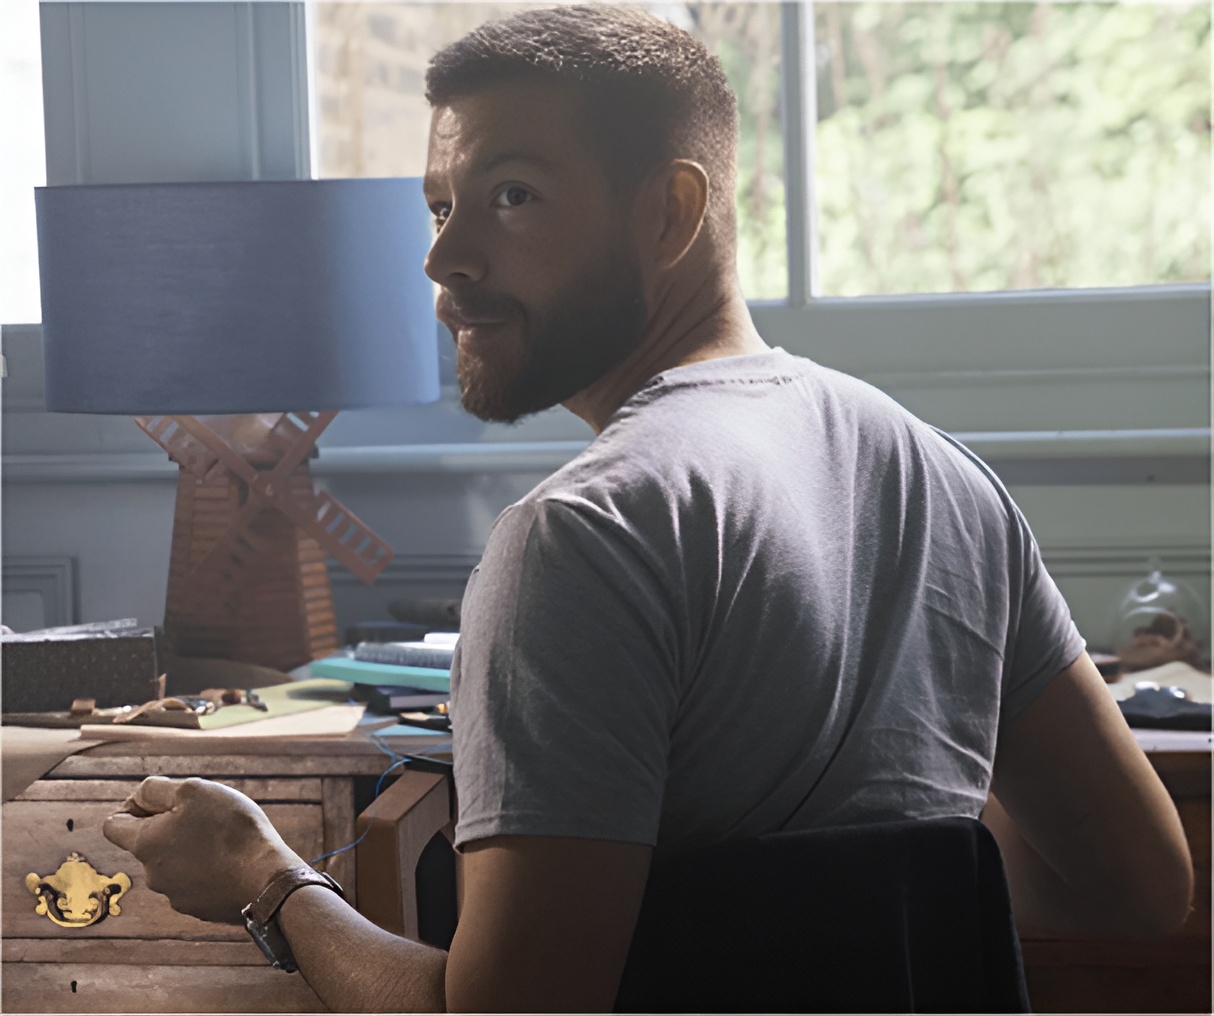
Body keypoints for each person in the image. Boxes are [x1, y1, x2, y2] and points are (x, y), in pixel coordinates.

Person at [103, 5, 1193, 1011]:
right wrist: (880, 863)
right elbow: (1141, 886)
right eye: (440, 205)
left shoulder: (581, 536)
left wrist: (268, 877)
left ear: (672, 210)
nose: (444, 258)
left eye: (511, 196)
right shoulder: (946, 478)